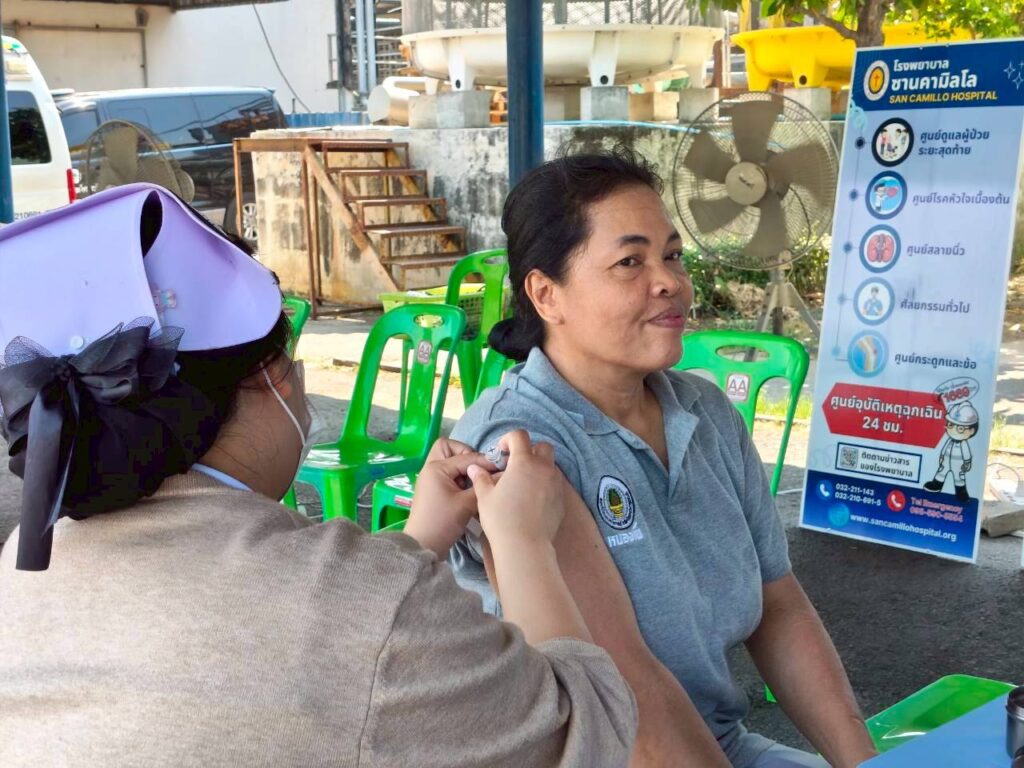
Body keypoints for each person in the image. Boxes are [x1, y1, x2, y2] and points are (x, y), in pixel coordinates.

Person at [0, 184, 637, 767]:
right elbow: (590, 734)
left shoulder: (28, 559)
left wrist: (414, 543)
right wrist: (524, 542)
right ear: (268, 375)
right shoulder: (362, 607)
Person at [450, 150, 879, 768]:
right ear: (546, 294)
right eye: (630, 261)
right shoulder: (521, 448)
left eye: (672, 255)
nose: (671, 282)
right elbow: (625, 693)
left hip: (716, 745)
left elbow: (779, 606)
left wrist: (865, 764)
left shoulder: (706, 414)